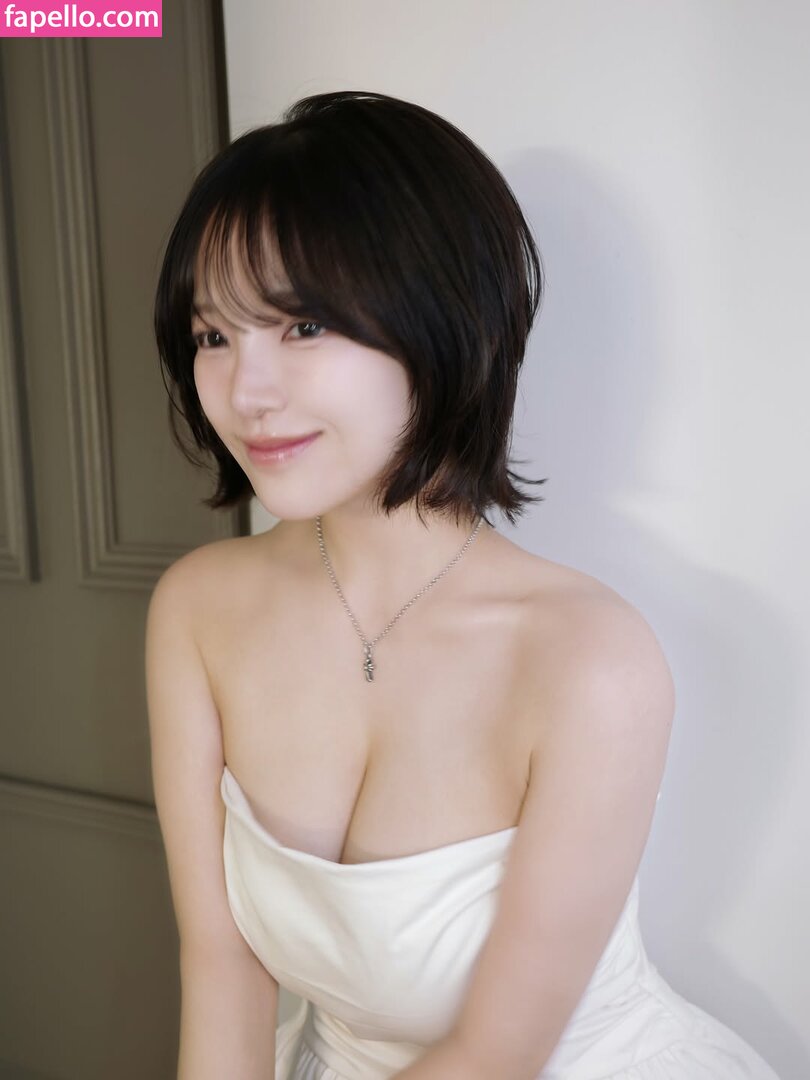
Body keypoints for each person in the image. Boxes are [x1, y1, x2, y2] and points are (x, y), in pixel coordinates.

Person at [147, 90, 780, 1080]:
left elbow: (496, 1054)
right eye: (212, 337)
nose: (246, 393)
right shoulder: (198, 610)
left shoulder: (589, 661)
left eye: (303, 325)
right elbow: (223, 971)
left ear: (439, 325)